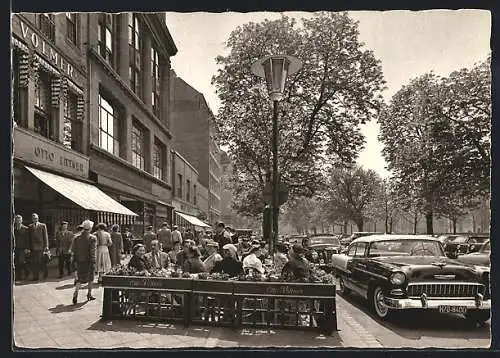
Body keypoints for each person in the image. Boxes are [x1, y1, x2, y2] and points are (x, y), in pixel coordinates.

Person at [71, 220, 97, 304]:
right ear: (90, 228)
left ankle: (76, 293)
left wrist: (74, 260)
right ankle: (89, 294)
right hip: (89, 261)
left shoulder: (76, 237)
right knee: (90, 278)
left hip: (79, 261)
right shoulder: (92, 238)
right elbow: (92, 251)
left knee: (79, 278)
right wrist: (93, 261)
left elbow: (73, 250)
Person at [28, 213, 49, 281]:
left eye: (36, 218)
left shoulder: (43, 225)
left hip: (41, 246)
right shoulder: (30, 226)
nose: (35, 220)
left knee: (41, 261)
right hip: (33, 247)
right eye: (34, 218)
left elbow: (45, 236)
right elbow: (29, 238)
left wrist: (46, 246)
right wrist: (28, 247)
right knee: (34, 263)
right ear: (32, 219)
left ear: (38, 218)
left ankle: (45, 274)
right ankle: (35, 277)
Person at [13, 214, 30, 281]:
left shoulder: (25, 229)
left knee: (22, 262)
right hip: (16, 248)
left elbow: (28, 239)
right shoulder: (13, 229)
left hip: (23, 248)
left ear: (22, 220)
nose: (18, 221)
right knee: (17, 262)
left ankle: (27, 271)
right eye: (17, 220)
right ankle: (18, 276)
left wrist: (27, 248)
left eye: (19, 220)